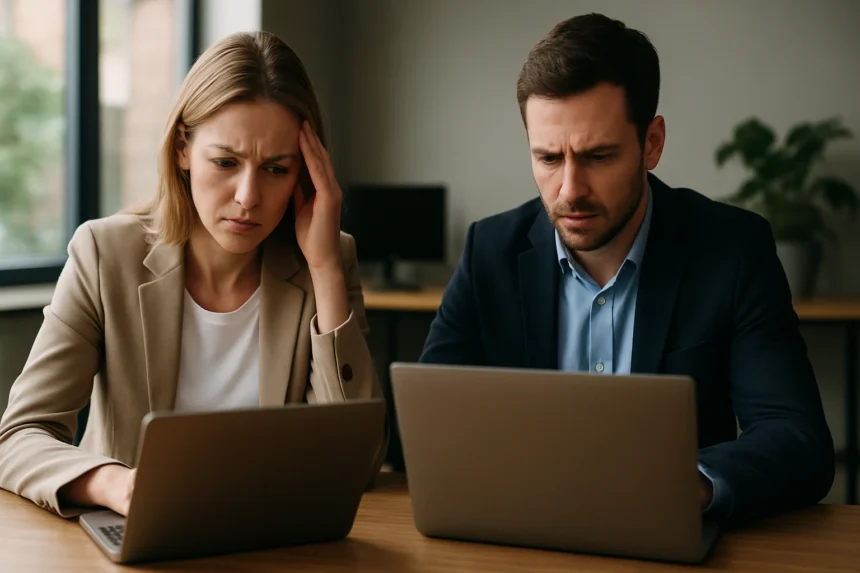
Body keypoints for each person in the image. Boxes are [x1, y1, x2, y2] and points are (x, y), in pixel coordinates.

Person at [419, 13, 834, 525]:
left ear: (652, 143)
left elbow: (797, 438)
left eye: (597, 156)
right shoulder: (490, 251)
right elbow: (428, 426)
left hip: (668, 538)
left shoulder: (733, 249)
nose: (570, 190)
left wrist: (688, 486)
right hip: (523, 535)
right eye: (549, 159)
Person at [0, 31, 386, 518]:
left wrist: (326, 269)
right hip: (136, 533)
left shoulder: (326, 259)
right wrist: (113, 484)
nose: (248, 196)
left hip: (268, 541)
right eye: (226, 162)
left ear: (305, 173)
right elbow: (19, 436)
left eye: (275, 169)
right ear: (183, 148)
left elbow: (361, 462)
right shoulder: (105, 253)